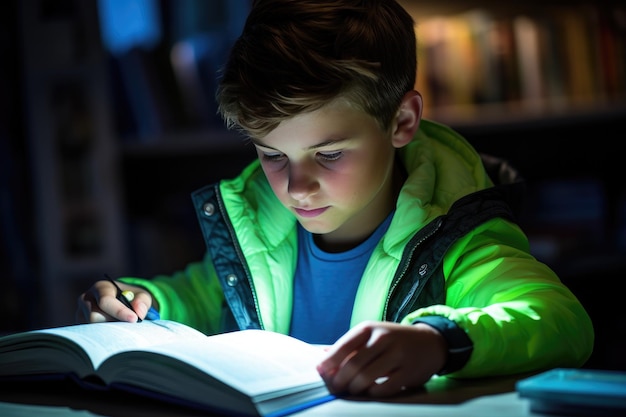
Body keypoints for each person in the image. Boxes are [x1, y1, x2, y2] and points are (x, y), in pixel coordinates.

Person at [77, 0, 594, 398]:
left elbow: (558, 319)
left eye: (328, 154)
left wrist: (440, 340)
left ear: (402, 122)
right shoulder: (263, 224)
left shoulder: (457, 236)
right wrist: (139, 298)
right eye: (272, 155)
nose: (295, 188)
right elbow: (198, 294)